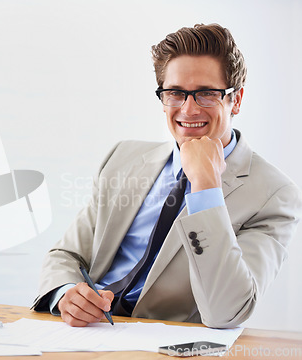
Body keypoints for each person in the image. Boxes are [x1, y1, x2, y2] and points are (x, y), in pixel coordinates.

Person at [31, 23, 302, 328]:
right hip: (86, 334)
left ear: (235, 100)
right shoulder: (123, 157)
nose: (188, 109)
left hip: (166, 345)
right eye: (175, 93)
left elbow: (227, 311)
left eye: (206, 94)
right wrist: (67, 293)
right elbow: (66, 254)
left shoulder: (274, 195)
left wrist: (206, 187)